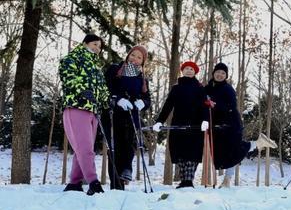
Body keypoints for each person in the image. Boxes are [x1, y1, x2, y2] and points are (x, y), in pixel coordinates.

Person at [204, 62, 276, 188]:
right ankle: (258, 143)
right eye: (218, 72)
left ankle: (227, 180)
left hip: (230, 124)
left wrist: (216, 105)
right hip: (216, 126)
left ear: (225, 76)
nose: (220, 75)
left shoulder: (228, 89)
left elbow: (231, 106)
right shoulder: (208, 88)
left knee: (233, 151)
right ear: (213, 73)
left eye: (223, 73)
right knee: (220, 154)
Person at [59, 34, 110, 195]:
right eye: (95, 44)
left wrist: (108, 100)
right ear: (85, 43)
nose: (97, 48)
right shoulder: (73, 58)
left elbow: (102, 88)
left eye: (100, 46)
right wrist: (83, 91)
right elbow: (68, 77)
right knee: (86, 148)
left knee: (82, 149)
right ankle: (93, 182)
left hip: (93, 111)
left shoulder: (96, 67)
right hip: (76, 107)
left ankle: (75, 182)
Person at [153, 61, 209, 188]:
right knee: (181, 154)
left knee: (192, 154)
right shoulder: (176, 88)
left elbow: (204, 106)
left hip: (195, 126)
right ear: (182, 71)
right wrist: (159, 121)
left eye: (192, 69)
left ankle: (188, 181)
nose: (189, 70)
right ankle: (184, 180)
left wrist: (205, 120)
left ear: (195, 72)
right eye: (187, 68)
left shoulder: (200, 88)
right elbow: (168, 106)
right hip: (178, 125)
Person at [104, 45, 151, 189]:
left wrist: (143, 102)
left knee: (129, 145)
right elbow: (106, 88)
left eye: (139, 57)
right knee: (115, 148)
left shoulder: (142, 78)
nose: (135, 59)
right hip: (114, 115)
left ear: (143, 62)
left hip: (132, 116)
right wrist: (118, 99)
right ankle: (116, 184)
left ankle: (126, 171)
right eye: (133, 55)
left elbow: (147, 98)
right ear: (128, 55)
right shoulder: (115, 69)